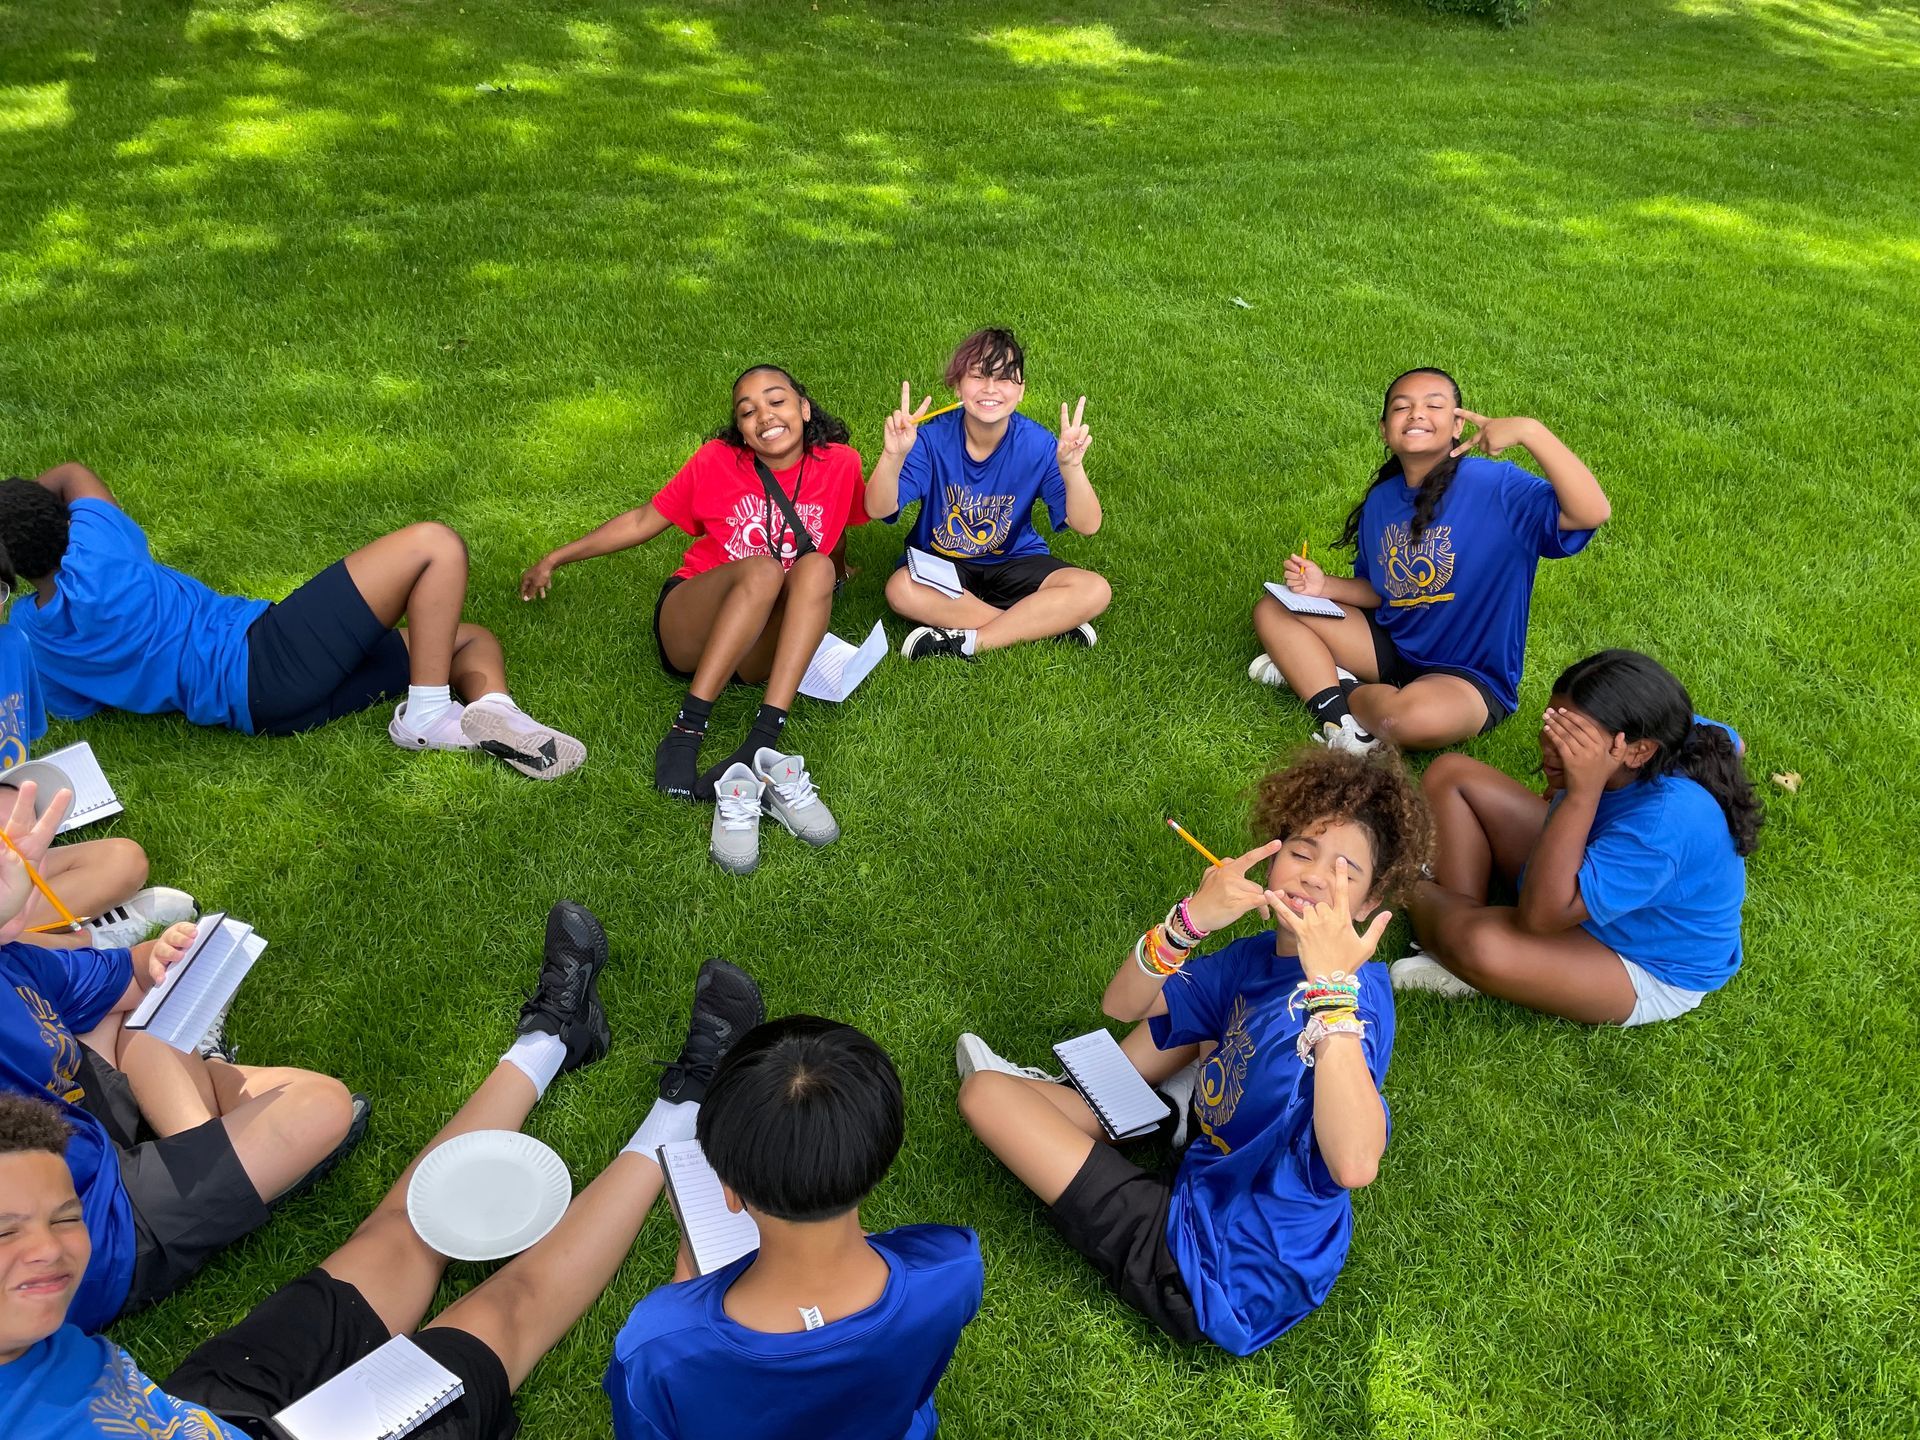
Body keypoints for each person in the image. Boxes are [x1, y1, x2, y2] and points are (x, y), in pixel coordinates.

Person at [0, 904, 770, 1439]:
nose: (48, 1248)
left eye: (64, 1216)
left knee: (409, 1227)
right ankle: (684, 1114)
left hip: (204, 1408)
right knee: (506, 1311)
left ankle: (551, 1039)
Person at [954, 748, 1430, 1355]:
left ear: (1366, 907)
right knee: (1193, 1018)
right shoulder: (1258, 956)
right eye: (1302, 852)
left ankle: (1159, 1115)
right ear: (1272, 859)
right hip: (1210, 1177)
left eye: (1344, 870)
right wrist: (1189, 922)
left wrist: (1331, 996)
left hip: (1214, 1273)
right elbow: (1125, 1004)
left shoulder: (1355, 997)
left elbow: (1356, 1165)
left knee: (987, 1095)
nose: (1313, 875)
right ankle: (1166, 1113)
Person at [0, 780, 360, 1332]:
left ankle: (200, 1114)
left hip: (75, 1119)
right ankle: (205, 1127)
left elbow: (125, 979)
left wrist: (156, 955)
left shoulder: (16, 964)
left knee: (122, 1019)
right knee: (325, 1104)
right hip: (87, 1233)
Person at [0, 464, 583, 779]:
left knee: (470, 640)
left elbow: (77, 706)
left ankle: (491, 711)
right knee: (435, 545)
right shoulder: (100, 553)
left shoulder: (28, 635)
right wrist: (28, 499)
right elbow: (74, 473)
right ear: (61, 522)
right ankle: (427, 717)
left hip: (267, 713)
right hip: (264, 655)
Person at [519, 366, 856, 854]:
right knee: (762, 569)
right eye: (748, 410)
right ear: (739, 428)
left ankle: (763, 739)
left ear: (804, 409)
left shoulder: (839, 463)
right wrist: (556, 557)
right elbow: (642, 519)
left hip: (758, 647)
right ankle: (686, 730)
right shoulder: (716, 461)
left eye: (777, 401)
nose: (764, 416)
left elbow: (848, 518)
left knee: (817, 568)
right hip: (693, 624)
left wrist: (840, 569)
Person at [607, 1013, 983, 1440]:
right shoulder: (952, 1265)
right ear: (879, 1162)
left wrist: (687, 1281)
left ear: (728, 1192)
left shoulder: (656, 1343)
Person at [1248, 369, 1611, 753]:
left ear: (1457, 424)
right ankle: (1341, 721)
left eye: (1433, 405)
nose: (1417, 413)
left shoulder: (1498, 486)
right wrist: (1324, 587)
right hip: (1392, 646)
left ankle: (1337, 682)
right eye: (1402, 407)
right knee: (1274, 609)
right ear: (1385, 430)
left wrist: (1529, 431)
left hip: (1467, 677)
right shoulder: (1382, 501)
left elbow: (1591, 513)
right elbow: (1380, 589)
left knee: (1405, 720)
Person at [1392, 649, 1761, 1026]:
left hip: (1641, 960)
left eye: (1575, 743)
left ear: (1638, 751)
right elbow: (1734, 741)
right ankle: (1453, 948)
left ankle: (1404, 882)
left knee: (1479, 946)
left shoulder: (1663, 826)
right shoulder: (1671, 733)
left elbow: (1540, 917)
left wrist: (1583, 793)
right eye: (1553, 728)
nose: (1552, 749)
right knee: (1451, 776)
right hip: (1590, 858)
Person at [865, 328, 1111, 661]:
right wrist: (892, 455)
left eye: (1005, 378)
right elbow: (878, 508)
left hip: (1014, 558)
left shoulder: (1038, 444)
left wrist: (1071, 467)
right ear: (957, 386)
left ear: (1021, 390)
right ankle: (1045, 625)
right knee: (900, 588)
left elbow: (1088, 524)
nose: (991, 389)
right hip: (942, 561)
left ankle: (967, 641)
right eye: (978, 376)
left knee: (1095, 589)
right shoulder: (930, 439)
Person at [0, 619, 194, 950]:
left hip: (10, 853)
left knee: (124, 859)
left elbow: (18, 753)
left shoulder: (11, 645)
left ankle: (33, 941)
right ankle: (88, 942)